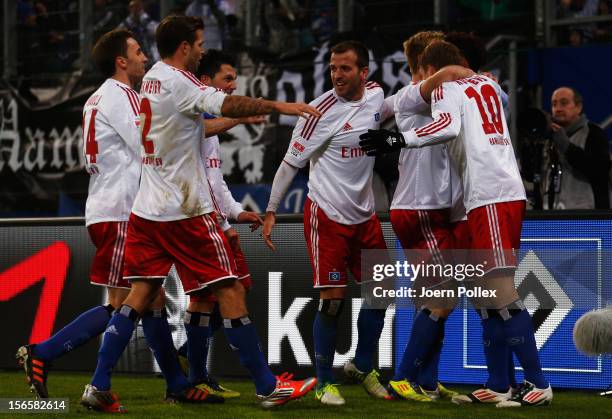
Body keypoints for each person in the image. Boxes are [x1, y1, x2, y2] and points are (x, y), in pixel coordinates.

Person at [82, 15, 320, 412]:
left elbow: (197, 124)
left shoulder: (153, 78)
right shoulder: (182, 81)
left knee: (139, 294)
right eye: (199, 43)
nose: (203, 49)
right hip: (185, 210)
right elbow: (224, 102)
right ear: (185, 48)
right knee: (229, 289)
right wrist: (281, 105)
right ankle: (265, 386)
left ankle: (98, 384)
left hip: (146, 209)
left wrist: (237, 118)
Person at [360, 40, 554, 408]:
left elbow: (446, 126)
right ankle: (498, 383)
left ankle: (538, 382)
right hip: (475, 198)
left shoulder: (446, 89)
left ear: (431, 70)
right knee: (481, 293)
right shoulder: (489, 84)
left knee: (495, 290)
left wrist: (398, 138)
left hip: (488, 193)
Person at [16, 28, 152, 400]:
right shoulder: (122, 95)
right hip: (122, 208)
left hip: (107, 205)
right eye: (138, 52)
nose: (145, 57)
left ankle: (176, 382)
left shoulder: (97, 98)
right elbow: (146, 144)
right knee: (128, 301)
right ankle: (49, 355)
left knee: (144, 297)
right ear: (120, 61)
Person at [263, 40, 392, 406]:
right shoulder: (317, 112)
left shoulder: (376, 96)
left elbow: (396, 105)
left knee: (381, 292)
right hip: (328, 215)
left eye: (345, 68)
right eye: (333, 68)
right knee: (332, 302)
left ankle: (362, 365)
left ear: (363, 73)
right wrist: (271, 209)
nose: (336, 75)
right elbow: (291, 163)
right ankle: (324, 382)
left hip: (364, 214)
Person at [177, 49, 266, 399]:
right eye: (227, 79)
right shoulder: (192, 117)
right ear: (205, 83)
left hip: (210, 218)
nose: (232, 87)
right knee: (224, 293)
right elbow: (197, 133)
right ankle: (199, 370)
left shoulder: (209, 126)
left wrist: (235, 212)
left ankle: (192, 364)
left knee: (218, 295)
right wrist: (241, 117)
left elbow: (214, 178)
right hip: (195, 220)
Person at [385, 31, 464, 403]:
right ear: (427, 65)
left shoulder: (442, 95)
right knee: (444, 296)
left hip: (433, 208)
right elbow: (439, 80)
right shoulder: (411, 95)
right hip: (419, 208)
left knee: (431, 298)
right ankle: (403, 378)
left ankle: (428, 381)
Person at [546, 86, 610, 209]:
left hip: (587, 215)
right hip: (553, 214)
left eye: (564, 103)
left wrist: (566, 146)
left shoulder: (594, 133)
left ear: (578, 107)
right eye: (554, 104)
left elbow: (600, 171)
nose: (558, 109)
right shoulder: (549, 137)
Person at [118, 0, 160, 65]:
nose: (135, 9)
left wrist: (142, 20)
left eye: (137, 6)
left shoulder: (148, 19)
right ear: (129, 8)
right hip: (134, 56)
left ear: (142, 6)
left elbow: (157, 31)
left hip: (152, 57)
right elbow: (118, 33)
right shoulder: (126, 23)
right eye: (133, 6)